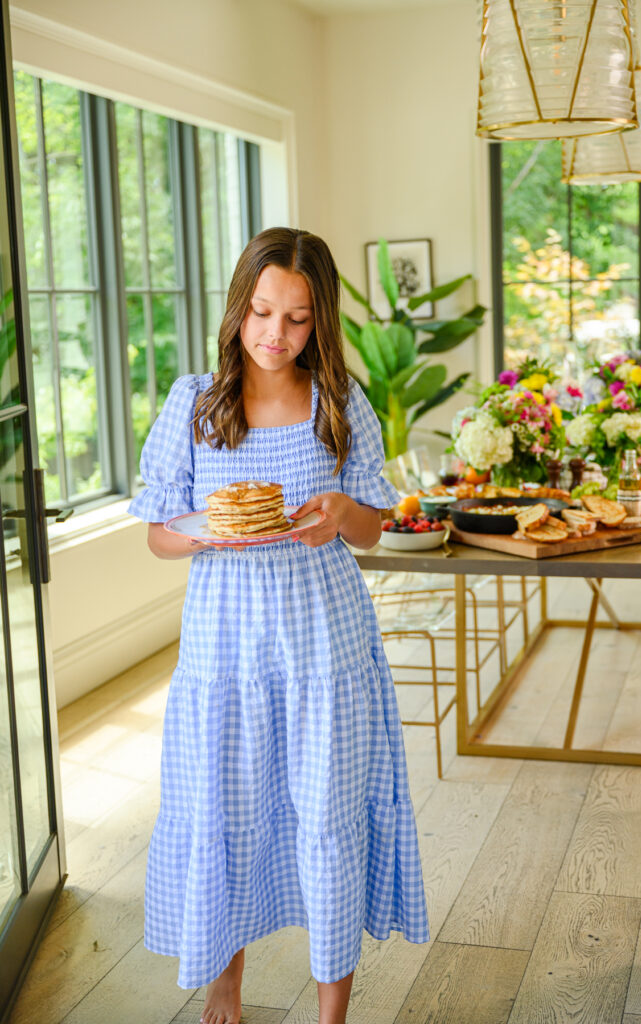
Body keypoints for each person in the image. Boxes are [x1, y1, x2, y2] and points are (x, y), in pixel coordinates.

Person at [128, 227, 429, 1024]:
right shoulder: (195, 402)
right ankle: (225, 984)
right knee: (225, 809)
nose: (274, 334)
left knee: (327, 816)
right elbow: (159, 535)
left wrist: (341, 512)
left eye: (297, 319)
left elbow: (371, 530)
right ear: (239, 307)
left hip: (324, 646)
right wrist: (208, 532)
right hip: (224, 648)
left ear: (318, 321)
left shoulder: (341, 402)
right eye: (261, 312)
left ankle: (331, 1012)